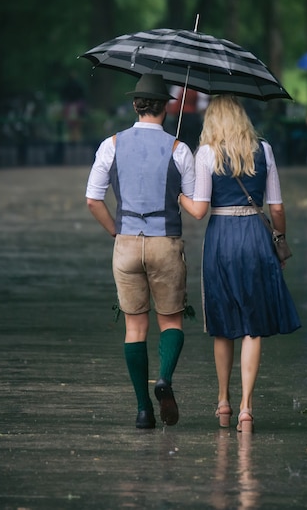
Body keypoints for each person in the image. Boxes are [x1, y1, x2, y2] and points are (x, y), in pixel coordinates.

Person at [179, 96, 300, 433]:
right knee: (252, 325)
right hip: (256, 238)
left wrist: (178, 194)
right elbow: (276, 207)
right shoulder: (265, 150)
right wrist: (279, 239)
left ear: (212, 120)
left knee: (222, 323)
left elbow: (199, 208)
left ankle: (223, 401)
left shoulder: (205, 153)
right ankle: (247, 406)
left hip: (221, 238)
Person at [85, 74, 195, 430]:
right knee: (171, 320)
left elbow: (93, 199)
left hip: (127, 244)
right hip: (166, 242)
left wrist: (116, 231)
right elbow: (192, 201)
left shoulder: (111, 145)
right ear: (166, 107)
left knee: (135, 326)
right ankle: (164, 378)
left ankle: (142, 409)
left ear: (136, 105)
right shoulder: (179, 149)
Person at [166, 86, 210, 151]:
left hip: (191, 119)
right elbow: (202, 106)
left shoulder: (178, 87)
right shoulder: (178, 87)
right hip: (182, 119)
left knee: (189, 140)